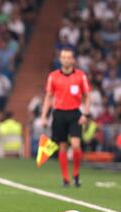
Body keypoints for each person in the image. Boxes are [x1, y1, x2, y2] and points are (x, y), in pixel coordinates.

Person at [40, 48, 91, 187]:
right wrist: (44, 116)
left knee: (75, 144)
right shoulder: (53, 76)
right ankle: (65, 179)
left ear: (73, 60)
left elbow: (87, 96)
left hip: (75, 113)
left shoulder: (80, 76)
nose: (66, 59)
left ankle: (75, 174)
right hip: (59, 113)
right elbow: (48, 97)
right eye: (64, 57)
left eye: (69, 57)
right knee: (62, 146)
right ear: (60, 59)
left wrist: (85, 114)